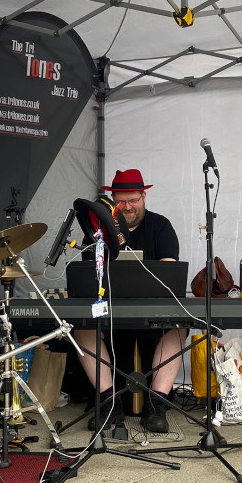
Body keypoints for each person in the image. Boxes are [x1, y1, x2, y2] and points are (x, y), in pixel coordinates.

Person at [74, 169, 188, 434]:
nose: (127, 207)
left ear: (144, 197)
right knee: (81, 327)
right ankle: (109, 403)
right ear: (113, 199)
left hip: (153, 314)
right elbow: (87, 274)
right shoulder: (97, 229)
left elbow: (168, 273)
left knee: (180, 328)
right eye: (121, 201)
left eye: (133, 200)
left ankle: (155, 406)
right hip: (109, 314)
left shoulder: (161, 226)